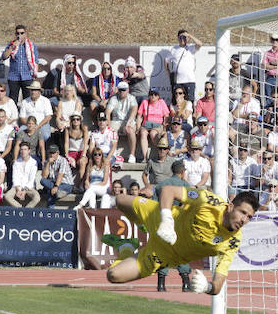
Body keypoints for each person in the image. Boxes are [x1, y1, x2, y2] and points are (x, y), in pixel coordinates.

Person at [98, 187, 259, 296]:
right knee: (120, 200)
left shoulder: (232, 242)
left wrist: (206, 287)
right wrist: (166, 219)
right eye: (242, 212)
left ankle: (126, 248)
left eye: (249, 217)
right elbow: (168, 190)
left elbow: (217, 286)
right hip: (160, 218)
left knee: (113, 275)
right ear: (231, 207)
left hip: (163, 255)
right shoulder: (208, 201)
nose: (244, 220)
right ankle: (142, 226)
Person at [152, 159, 193, 292]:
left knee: (163, 250)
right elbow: (190, 206)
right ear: (182, 172)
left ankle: (161, 284)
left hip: (163, 220)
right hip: (179, 221)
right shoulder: (186, 186)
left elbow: (154, 205)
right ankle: (186, 283)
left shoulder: (160, 186)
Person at [2, 24, 39, 102]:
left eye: (22, 33)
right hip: (13, 76)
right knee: (13, 99)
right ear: (15, 34)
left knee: (28, 99)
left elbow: (35, 61)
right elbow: (4, 56)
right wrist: (12, 47)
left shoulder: (31, 45)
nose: (20, 35)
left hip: (27, 76)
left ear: (26, 34)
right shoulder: (12, 44)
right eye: (18, 33)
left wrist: (35, 74)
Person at [104, 81, 137, 163]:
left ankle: (132, 155)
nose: (122, 92)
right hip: (116, 120)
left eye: (124, 90)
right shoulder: (113, 98)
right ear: (117, 90)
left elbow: (134, 110)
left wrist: (128, 122)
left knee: (130, 130)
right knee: (111, 129)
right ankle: (113, 152)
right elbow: (108, 111)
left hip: (129, 120)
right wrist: (107, 122)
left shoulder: (132, 98)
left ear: (128, 90)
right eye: (120, 90)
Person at [165, 29, 201, 102]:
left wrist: (189, 35)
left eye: (184, 37)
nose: (182, 39)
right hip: (177, 81)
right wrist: (168, 72)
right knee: (176, 101)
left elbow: (199, 44)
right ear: (178, 38)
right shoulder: (173, 49)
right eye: (180, 37)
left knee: (189, 101)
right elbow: (166, 61)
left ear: (188, 38)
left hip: (189, 80)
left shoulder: (191, 48)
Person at [136, 88, 171, 163]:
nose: (153, 96)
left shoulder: (161, 102)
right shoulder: (145, 102)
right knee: (143, 133)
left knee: (153, 133)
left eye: (155, 94)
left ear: (158, 96)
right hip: (146, 124)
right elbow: (139, 116)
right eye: (151, 94)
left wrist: (164, 127)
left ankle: (161, 153)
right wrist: (138, 128)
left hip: (158, 125)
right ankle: (145, 157)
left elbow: (166, 115)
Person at [4, 141, 41, 207]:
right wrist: (18, 190)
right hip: (17, 187)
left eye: (25, 149)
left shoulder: (33, 162)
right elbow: (15, 178)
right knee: (7, 196)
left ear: (29, 151)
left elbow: (31, 179)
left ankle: (26, 211)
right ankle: (20, 208)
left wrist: (24, 191)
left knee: (37, 198)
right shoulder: (16, 162)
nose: (23, 151)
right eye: (21, 149)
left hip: (29, 187)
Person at [64, 113, 89, 188]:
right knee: (66, 163)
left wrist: (84, 154)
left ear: (80, 121)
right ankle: (66, 185)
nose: (75, 121)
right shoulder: (68, 130)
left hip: (81, 151)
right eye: (73, 119)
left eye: (77, 119)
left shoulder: (84, 128)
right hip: (71, 152)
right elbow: (66, 143)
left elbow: (85, 143)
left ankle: (77, 185)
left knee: (83, 162)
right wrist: (67, 155)